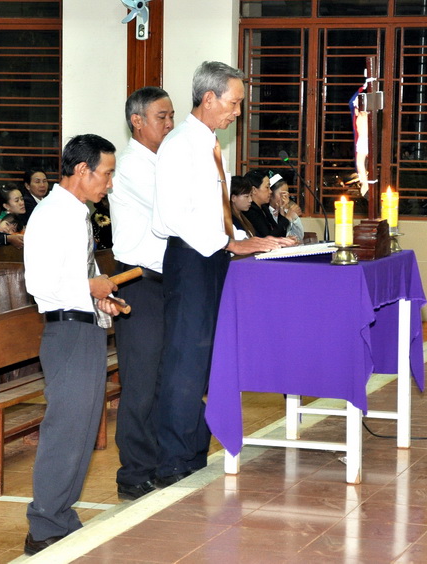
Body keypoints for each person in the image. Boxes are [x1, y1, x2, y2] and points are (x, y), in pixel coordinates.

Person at [151, 61, 284, 487]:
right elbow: (173, 216)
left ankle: (194, 452)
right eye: (235, 102)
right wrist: (230, 244)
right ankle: (173, 461)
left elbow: (212, 213)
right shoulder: (179, 145)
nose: (238, 112)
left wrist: (245, 243)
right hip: (190, 259)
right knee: (185, 361)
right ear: (209, 98)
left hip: (211, 258)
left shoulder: (209, 143)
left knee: (205, 359)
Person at [23, 134, 123, 555]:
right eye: (107, 174)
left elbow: (81, 272)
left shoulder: (75, 212)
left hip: (85, 326)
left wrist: (102, 296)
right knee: (66, 428)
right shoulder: (51, 215)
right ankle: (43, 523)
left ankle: (61, 516)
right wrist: (90, 288)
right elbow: (40, 284)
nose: (110, 183)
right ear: (82, 170)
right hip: (66, 332)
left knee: (82, 428)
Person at [108, 85, 174, 501]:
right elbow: (172, 216)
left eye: (171, 116)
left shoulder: (163, 161)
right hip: (139, 282)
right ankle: (133, 472)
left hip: (168, 282)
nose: (169, 124)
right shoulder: (131, 165)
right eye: (161, 117)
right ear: (137, 121)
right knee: (141, 380)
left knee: (166, 377)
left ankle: (163, 460)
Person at [243, 169, 288, 238]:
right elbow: (268, 237)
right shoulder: (250, 211)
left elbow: (278, 232)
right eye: (267, 187)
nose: (270, 191)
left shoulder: (264, 208)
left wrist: (282, 210)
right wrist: (287, 219)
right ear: (254, 190)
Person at [268, 174, 304, 242]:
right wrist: (287, 218)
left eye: (287, 194)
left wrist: (294, 217)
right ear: (270, 195)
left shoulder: (288, 211)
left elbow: (299, 237)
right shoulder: (266, 213)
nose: (285, 198)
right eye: (282, 194)